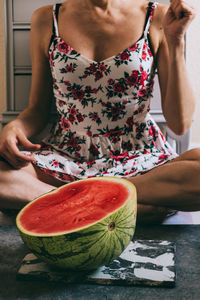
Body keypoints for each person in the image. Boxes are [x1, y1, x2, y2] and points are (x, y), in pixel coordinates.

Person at [0, 0, 199, 224]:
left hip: (141, 160)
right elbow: (37, 109)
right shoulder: (47, 19)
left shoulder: (158, 17)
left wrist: (177, 40)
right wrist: (14, 127)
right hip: (66, 157)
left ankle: (69, 201)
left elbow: (180, 123)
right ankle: (117, 204)